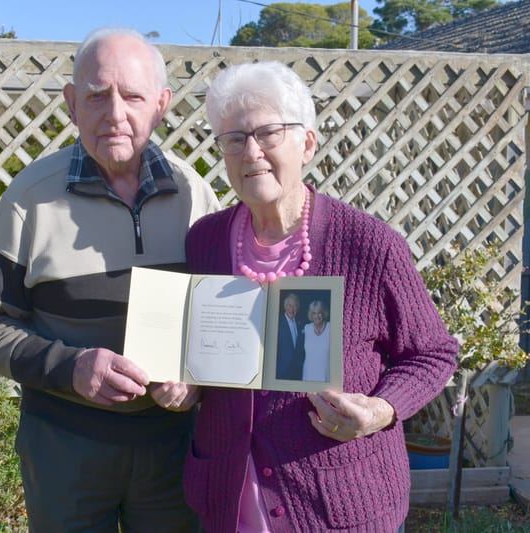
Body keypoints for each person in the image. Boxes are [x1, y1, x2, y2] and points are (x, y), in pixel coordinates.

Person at [0, 27, 219, 533]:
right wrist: (71, 367)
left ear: (162, 103)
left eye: (133, 95)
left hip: (173, 448)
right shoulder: (30, 197)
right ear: (72, 103)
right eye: (98, 95)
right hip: (64, 448)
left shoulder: (196, 195)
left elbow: (215, 321)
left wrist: (196, 381)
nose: (115, 113)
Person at [182, 61, 459, 532]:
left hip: (339, 502)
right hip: (230, 500)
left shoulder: (369, 245)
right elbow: (204, 356)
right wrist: (184, 386)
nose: (251, 153)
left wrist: (379, 410)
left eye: (268, 133)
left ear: (307, 142)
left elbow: (433, 353)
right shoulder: (204, 241)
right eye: (233, 139)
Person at [276, 292, 305, 380]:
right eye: (289, 305)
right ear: (285, 306)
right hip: (281, 372)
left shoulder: (301, 323)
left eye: (295, 306)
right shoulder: (277, 323)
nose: (292, 309)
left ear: (298, 307)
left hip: (297, 372)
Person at [302, 299, 330, 382]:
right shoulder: (306, 328)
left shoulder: (330, 327)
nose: (317, 316)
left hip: (325, 374)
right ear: (311, 314)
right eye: (314, 313)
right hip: (308, 374)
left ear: (324, 313)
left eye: (319, 313)